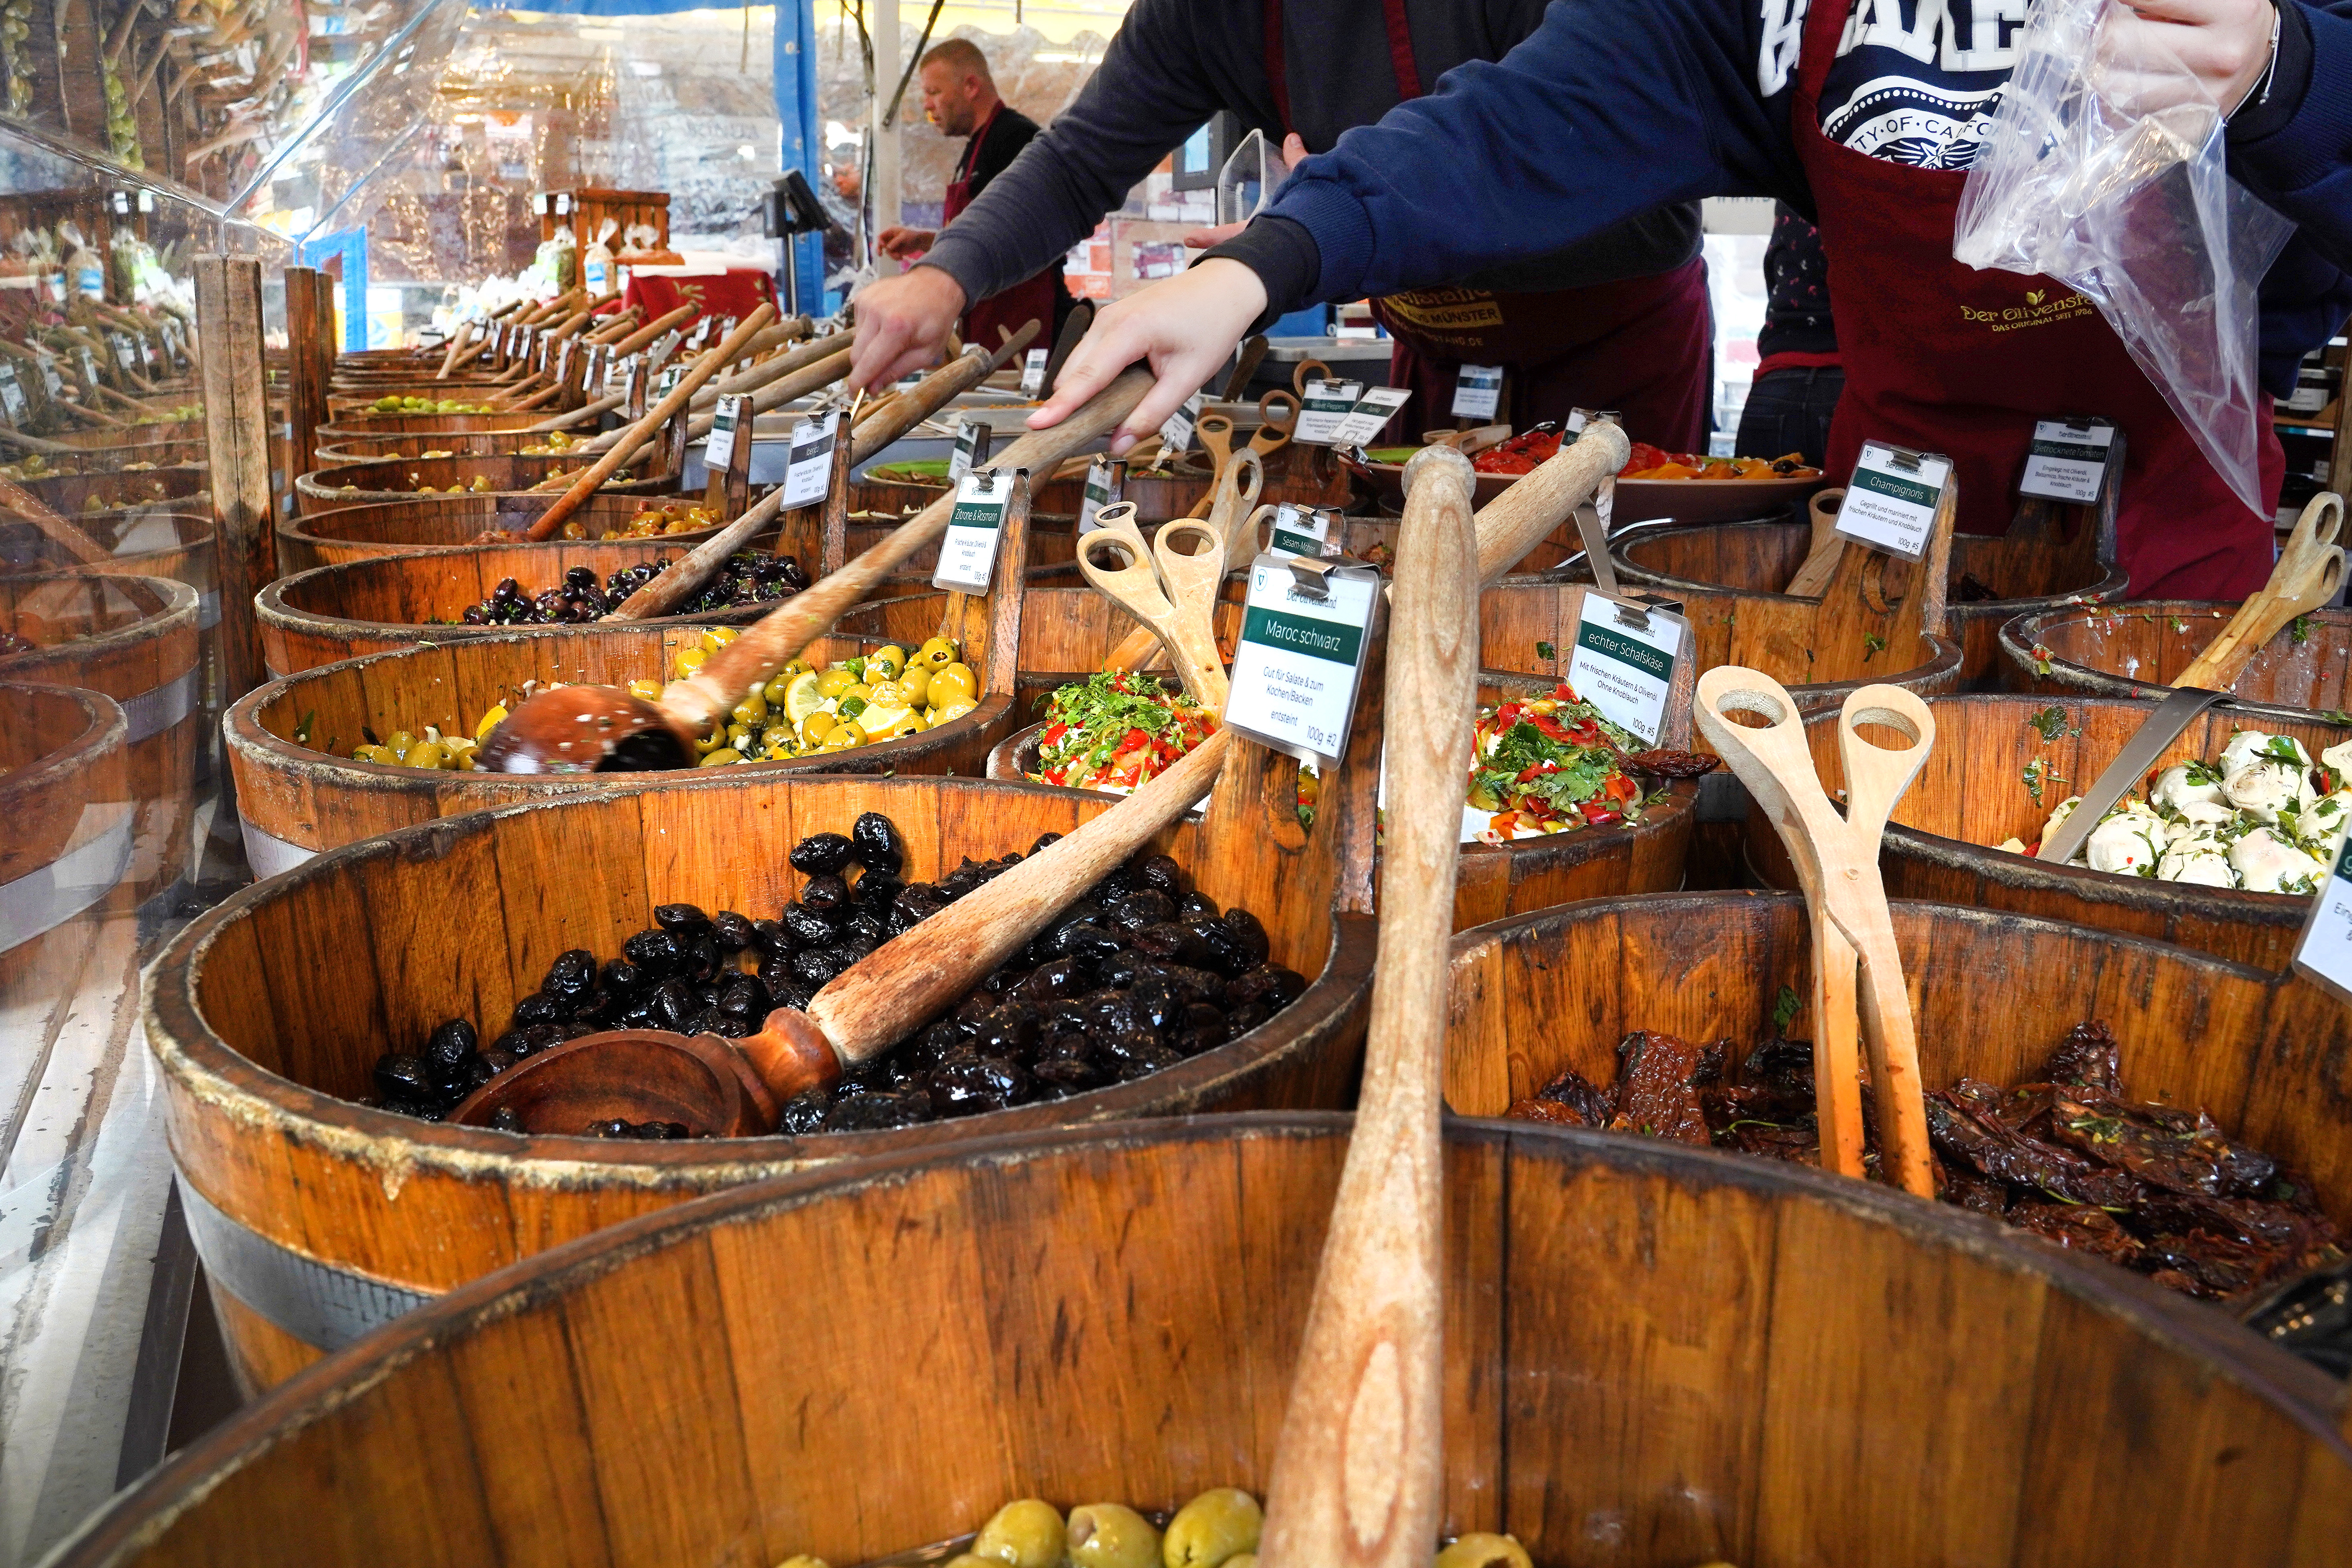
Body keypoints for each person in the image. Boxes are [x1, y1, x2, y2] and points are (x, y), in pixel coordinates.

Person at [1037, 0, 2352, 600]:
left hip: (2172, 559)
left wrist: (2290, 67)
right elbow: (1524, 123)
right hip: (1889, 560)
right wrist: (1260, 261)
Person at [847, 2, 1715, 452]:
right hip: (1443, 370)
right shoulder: (1204, 16)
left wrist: (1335, 232)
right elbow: (1078, 161)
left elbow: (1657, 221)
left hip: (1610, 354)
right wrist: (948, 273)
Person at [872, 38, 1071, 354]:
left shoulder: (1015, 141)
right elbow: (990, 234)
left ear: (971, 86)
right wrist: (926, 241)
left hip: (1024, 328)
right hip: (986, 321)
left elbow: (1021, 238)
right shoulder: (977, 144)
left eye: (934, 92)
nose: (926, 105)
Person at [1736, 205, 1842, 470]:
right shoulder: (1878, 187)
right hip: (1846, 385)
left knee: (1758, 509)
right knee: (1852, 509)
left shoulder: (1792, 189)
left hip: (1773, 387)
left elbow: (1774, 274)